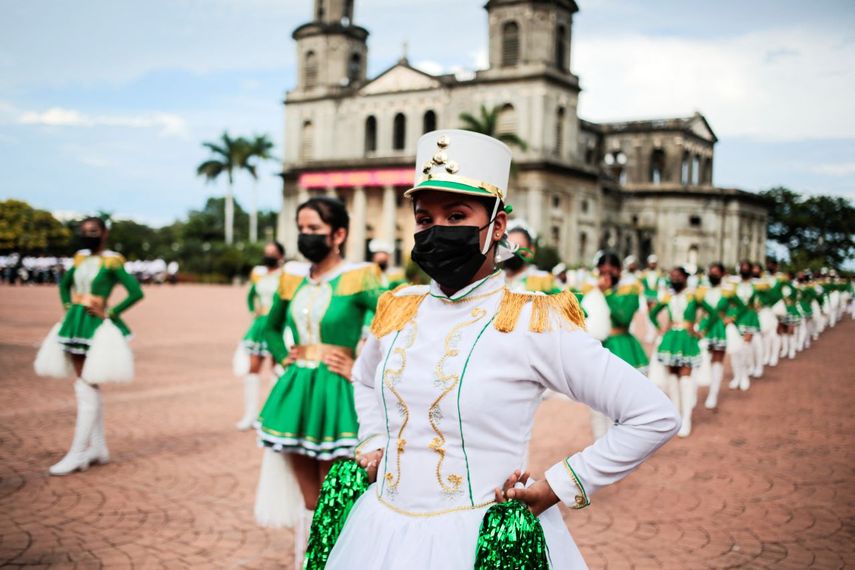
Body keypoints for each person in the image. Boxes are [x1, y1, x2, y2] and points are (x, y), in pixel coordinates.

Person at [322, 130, 679, 569]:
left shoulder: (533, 321)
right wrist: (374, 438)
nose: (437, 232)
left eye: (456, 216)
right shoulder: (399, 309)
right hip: (379, 533)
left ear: (497, 225)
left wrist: (558, 486)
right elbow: (363, 378)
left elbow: (653, 415)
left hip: (477, 541)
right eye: (424, 219)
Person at [253, 197, 383, 567]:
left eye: (315, 229)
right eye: (302, 229)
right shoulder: (290, 277)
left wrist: (359, 363)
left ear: (338, 233)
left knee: (335, 495)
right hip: (296, 392)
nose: (306, 236)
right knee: (309, 500)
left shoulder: (361, 276)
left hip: (338, 394)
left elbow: (391, 323)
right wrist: (283, 357)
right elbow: (270, 327)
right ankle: (304, 562)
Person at [33, 216, 143, 475]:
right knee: (87, 384)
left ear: (104, 233)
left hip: (95, 324)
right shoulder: (80, 258)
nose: (88, 235)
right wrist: (69, 306)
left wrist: (111, 312)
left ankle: (79, 452)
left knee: (86, 383)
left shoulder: (112, 261)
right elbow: (66, 284)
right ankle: (97, 448)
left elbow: (136, 292)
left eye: (93, 231)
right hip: (76, 321)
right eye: (84, 231)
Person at [233, 241, 285, 431]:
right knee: (253, 368)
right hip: (260, 323)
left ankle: (270, 415)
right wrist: (252, 310)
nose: (268, 255)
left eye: (272, 253)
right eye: (266, 252)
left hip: (277, 325)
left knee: (277, 369)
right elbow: (250, 295)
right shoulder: (259, 275)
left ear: (280, 256)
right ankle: (250, 414)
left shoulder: (285, 277)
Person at [649, 266, 699, 437]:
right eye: (672, 276)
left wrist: (702, 330)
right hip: (671, 339)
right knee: (672, 378)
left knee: (685, 378)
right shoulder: (667, 296)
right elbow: (652, 313)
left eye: (678, 276)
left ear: (686, 277)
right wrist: (660, 328)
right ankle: (676, 416)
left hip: (687, 339)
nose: (675, 279)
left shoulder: (694, 295)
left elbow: (713, 313)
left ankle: (687, 419)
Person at [696, 262, 733, 405]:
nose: (713, 275)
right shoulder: (701, 290)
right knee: (701, 358)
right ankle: (697, 389)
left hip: (719, 328)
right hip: (705, 326)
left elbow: (740, 306)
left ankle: (713, 393)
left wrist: (731, 317)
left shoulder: (728, 290)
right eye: (711, 272)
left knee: (717, 361)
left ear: (722, 274)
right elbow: (696, 308)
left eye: (716, 272)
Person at [503, 223, 560, 293]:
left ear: (531, 251)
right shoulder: (495, 280)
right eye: (508, 247)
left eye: (518, 247)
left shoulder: (542, 279)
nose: (512, 252)